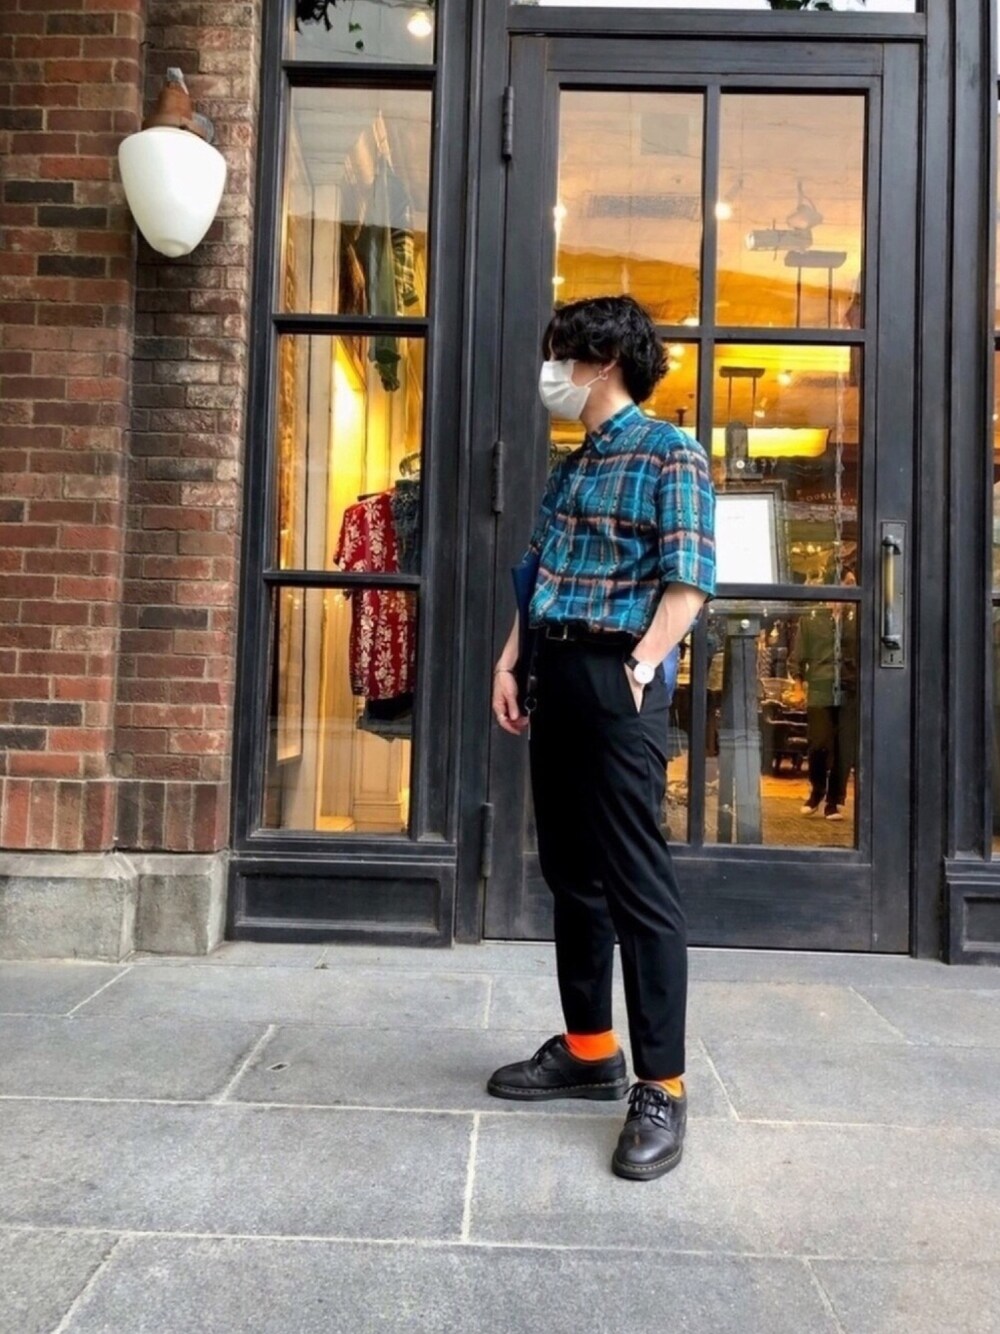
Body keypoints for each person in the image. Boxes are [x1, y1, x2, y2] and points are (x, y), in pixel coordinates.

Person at [488, 295, 716, 1181]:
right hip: (553, 668)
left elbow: (690, 580)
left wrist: (642, 666)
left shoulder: (670, 452)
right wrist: (512, 660)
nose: (550, 372)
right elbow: (541, 571)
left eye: (560, 355)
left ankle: (662, 1085)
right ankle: (590, 1050)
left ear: (602, 361)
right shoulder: (572, 464)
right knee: (570, 872)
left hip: (619, 678)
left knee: (636, 881)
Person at [787, 596, 857, 822]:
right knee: (818, 743)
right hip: (820, 686)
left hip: (850, 688)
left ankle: (834, 801)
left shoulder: (857, 618)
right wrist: (798, 687)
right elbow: (797, 656)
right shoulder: (811, 618)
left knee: (844, 747)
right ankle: (817, 791)